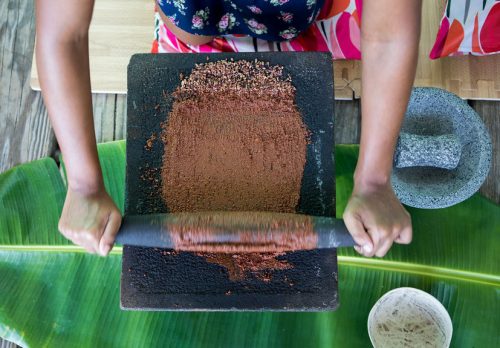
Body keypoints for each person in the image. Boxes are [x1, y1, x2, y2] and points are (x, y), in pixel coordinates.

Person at [36, 0, 418, 257]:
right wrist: (84, 184)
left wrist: (373, 182)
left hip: (298, 16)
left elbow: (387, 36)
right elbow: (63, 35)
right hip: (193, 24)